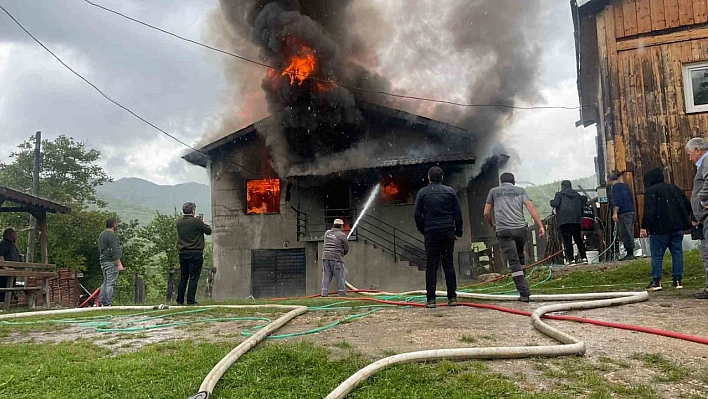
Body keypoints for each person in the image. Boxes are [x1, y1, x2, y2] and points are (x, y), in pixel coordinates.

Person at [484, 172, 546, 303]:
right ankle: (524, 286)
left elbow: (486, 212)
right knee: (520, 257)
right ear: (514, 181)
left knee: (513, 262)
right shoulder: (520, 190)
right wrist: (540, 225)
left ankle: (524, 293)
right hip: (521, 230)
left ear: (501, 182)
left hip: (504, 231)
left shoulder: (494, 191)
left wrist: (492, 225)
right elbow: (531, 208)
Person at [414, 166, 464, 309]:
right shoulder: (450, 192)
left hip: (431, 232)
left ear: (429, 177)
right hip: (448, 231)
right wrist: (458, 232)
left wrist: (423, 229)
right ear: (442, 177)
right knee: (448, 264)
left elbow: (417, 214)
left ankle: (431, 300)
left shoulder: (422, 193)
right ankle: (452, 297)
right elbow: (458, 214)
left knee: (431, 265)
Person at [639, 167, 691, 292]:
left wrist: (644, 226)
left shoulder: (651, 191)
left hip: (659, 229)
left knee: (657, 255)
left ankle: (657, 281)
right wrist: (681, 218)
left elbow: (649, 211)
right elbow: (687, 205)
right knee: (677, 252)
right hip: (677, 227)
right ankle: (677, 280)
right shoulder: (675, 188)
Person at [176, 202, 212, 305]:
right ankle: (190, 300)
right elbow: (208, 231)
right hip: (195, 252)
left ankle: (180, 300)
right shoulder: (197, 222)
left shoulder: (179, 222)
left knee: (183, 277)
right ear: (193, 211)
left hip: (182, 252)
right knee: (193, 277)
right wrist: (203, 222)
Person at [686, 137, 708, 299]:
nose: (690, 158)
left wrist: (703, 200)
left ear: (698, 150)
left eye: (690, 154)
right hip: (703, 217)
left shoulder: (706, 161)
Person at [550, 180, 588, 265]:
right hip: (576, 221)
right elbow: (583, 201)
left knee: (567, 241)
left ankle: (571, 260)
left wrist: (551, 202)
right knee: (578, 240)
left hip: (564, 221)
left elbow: (555, 204)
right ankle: (584, 258)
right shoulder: (577, 195)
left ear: (562, 186)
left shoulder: (559, 194)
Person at [608, 172, 636, 260]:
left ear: (609, 180)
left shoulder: (615, 187)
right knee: (629, 231)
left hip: (623, 212)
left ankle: (630, 252)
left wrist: (615, 212)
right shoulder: (625, 186)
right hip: (630, 211)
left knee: (625, 232)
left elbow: (618, 200)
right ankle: (630, 251)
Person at [98, 218, 123, 307]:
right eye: (116, 224)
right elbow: (114, 250)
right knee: (111, 283)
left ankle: (100, 302)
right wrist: (119, 264)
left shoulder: (102, 235)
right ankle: (107, 303)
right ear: (114, 224)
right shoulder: (111, 236)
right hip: (111, 262)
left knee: (105, 282)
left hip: (103, 261)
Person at [321, 218, 350, 297]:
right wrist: (342, 254)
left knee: (326, 276)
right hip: (336, 258)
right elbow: (346, 248)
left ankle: (324, 293)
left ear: (333, 225)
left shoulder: (327, 233)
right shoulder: (342, 235)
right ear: (341, 226)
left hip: (325, 257)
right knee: (339, 276)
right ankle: (342, 293)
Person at [0, 227, 23, 303]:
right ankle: (3, 303)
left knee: (10, 287)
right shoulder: (4, 244)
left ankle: (8, 302)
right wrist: (6, 268)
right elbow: (1, 256)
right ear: (9, 234)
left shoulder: (11, 244)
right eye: (14, 233)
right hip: (4, 273)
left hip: (12, 271)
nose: (16, 235)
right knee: (4, 288)